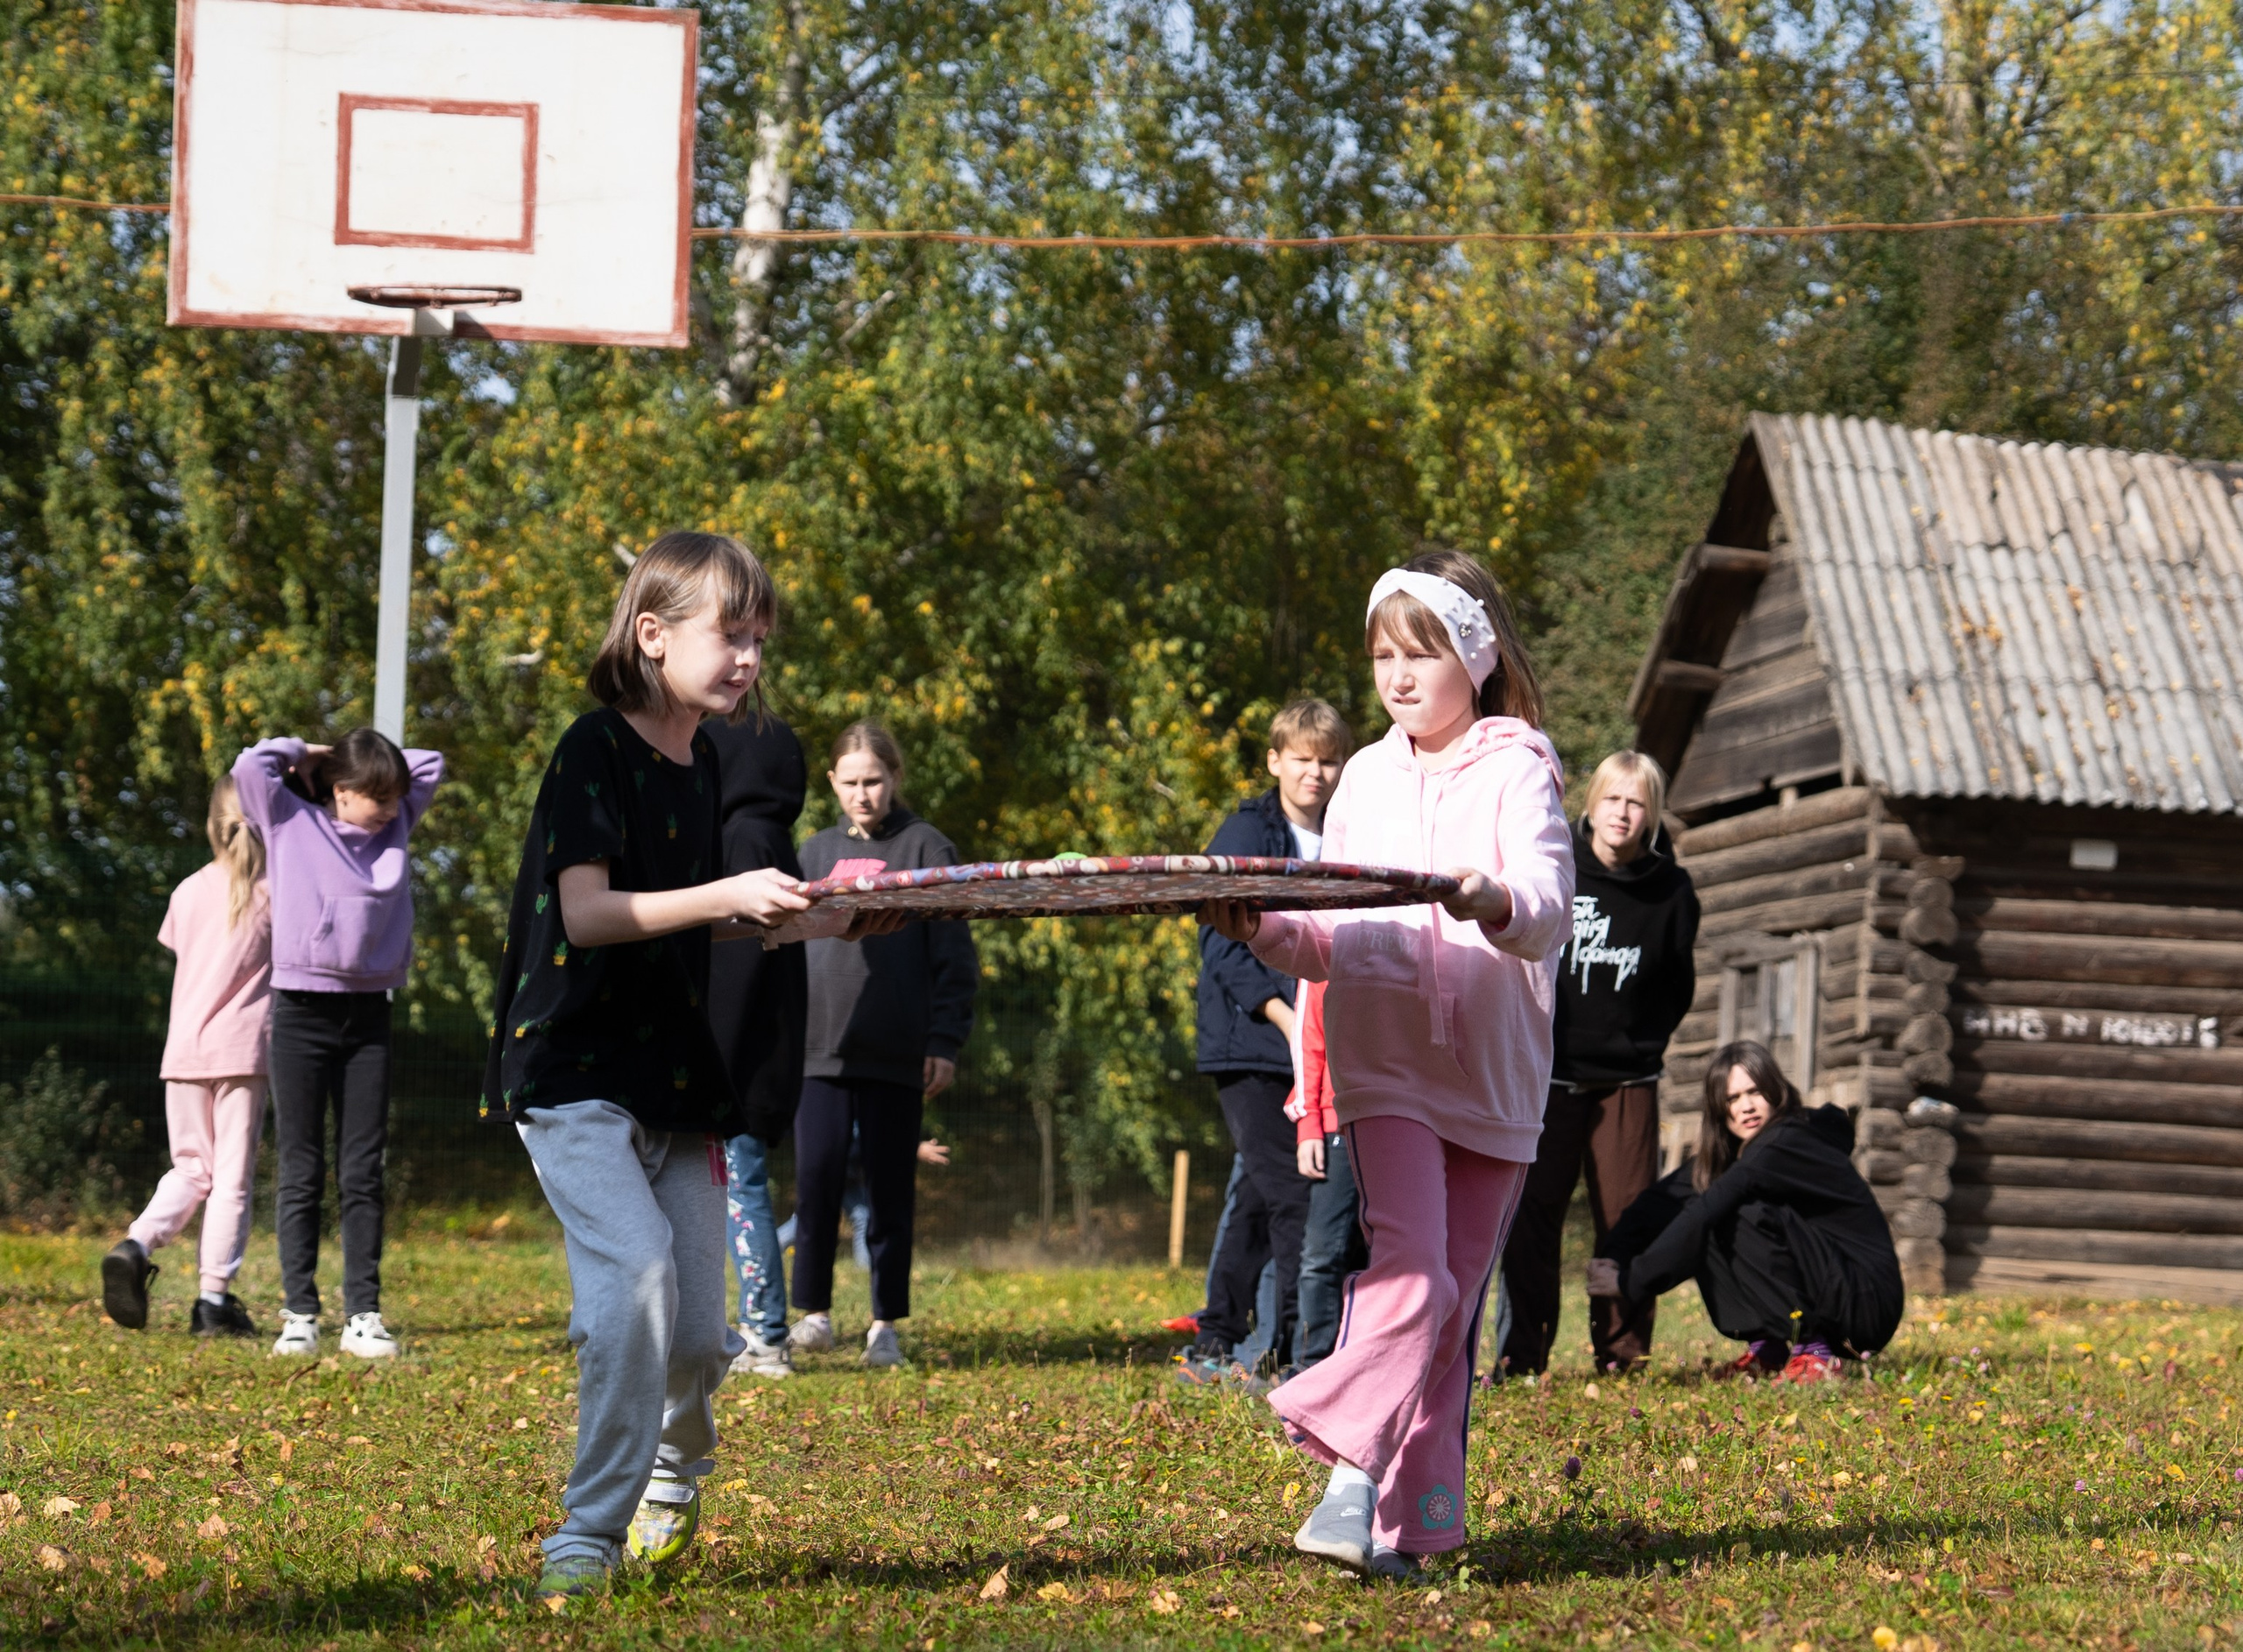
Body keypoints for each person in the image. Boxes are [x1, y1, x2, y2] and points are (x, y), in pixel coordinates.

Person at [483, 531, 895, 1604]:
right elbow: (587, 914)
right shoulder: (592, 748)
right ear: (653, 633)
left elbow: (681, 925)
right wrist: (729, 893)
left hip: (674, 1068)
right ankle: (587, 1531)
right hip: (571, 1066)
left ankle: (676, 1469)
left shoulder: (707, 757)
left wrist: (810, 925)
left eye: (762, 636)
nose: (751, 655)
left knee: (704, 1333)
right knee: (638, 1286)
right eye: (732, 632)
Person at [1202, 549, 1573, 1582]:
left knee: (1451, 1302)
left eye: (1421, 653)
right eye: (1382, 656)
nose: (1398, 677)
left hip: (1496, 1071)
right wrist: (1265, 926)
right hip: (1386, 1060)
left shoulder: (1519, 763)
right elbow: (1327, 935)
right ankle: (1348, 1478)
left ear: (1475, 657)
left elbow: (1545, 906)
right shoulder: (1362, 775)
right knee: (1410, 1272)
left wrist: (1487, 897)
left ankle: (1419, 1525)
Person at [233, 724, 442, 1360]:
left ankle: (363, 1315)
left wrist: (372, 762)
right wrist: (310, 753)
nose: (387, 807)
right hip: (300, 1011)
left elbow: (429, 763)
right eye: (373, 795)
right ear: (340, 790)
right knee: (300, 1169)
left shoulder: (397, 820)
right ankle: (299, 1313)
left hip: (368, 1014)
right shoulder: (289, 820)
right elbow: (250, 768)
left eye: (392, 796)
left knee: (362, 1171)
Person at [1499, 750, 1699, 1378]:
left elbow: (1677, 984)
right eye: (1613, 799)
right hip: (1550, 1076)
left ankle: (1621, 1356)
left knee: (1628, 1219)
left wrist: (1641, 1043)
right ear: (1591, 804)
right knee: (1533, 1218)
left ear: (1652, 814)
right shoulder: (1557, 867)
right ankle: (1523, 1356)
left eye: (1637, 802)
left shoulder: (1673, 891)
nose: (1623, 813)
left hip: (1628, 1082)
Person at [789, 723, 979, 1369]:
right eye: (851, 783)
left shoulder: (928, 847)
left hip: (898, 1051)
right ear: (833, 784)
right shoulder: (811, 854)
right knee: (814, 1182)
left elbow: (955, 956)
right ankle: (812, 1314)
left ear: (895, 779)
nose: (863, 794)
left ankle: (883, 1326)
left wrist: (944, 1039)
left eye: (874, 781)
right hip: (818, 1048)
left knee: (891, 1193)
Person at [1178, 698, 1350, 1385]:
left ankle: (1216, 1335)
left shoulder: (1348, 831)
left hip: (1322, 1044)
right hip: (1253, 1045)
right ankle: (1284, 1353)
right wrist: (1283, 1014)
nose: (1316, 772)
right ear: (1276, 760)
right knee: (1292, 1194)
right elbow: (1220, 936)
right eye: (1303, 758)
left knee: (1255, 1192)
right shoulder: (1248, 829)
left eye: (1329, 759)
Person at [1588, 1041, 1903, 1384]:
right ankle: (1769, 1348)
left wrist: (1629, 1282)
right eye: (1732, 1099)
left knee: (1733, 1211)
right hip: (1837, 1290)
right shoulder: (1737, 1156)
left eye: (1755, 1092)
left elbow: (1704, 1212)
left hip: (1866, 1302)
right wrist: (1615, 1256)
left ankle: (1815, 1353)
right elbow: (1659, 1202)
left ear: (1775, 1091)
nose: (1747, 1107)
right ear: (1719, 1110)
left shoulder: (1787, 1140)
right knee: (1710, 1200)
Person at [101, 775, 272, 1338]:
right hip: (242, 1054)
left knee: (190, 1169)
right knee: (230, 1180)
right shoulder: (276, 893)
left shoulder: (187, 891)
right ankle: (212, 1303)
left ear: (211, 825)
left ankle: (137, 1243)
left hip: (184, 1053)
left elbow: (181, 951)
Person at [702, 709, 812, 1382]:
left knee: (739, 1188)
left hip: (732, 1060)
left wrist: (712, 1062)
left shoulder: (743, 841)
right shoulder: (771, 837)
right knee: (740, 1187)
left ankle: (767, 1334)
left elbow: (737, 972)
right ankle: (755, 1327)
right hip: (761, 1052)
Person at [1287, 978, 1365, 1372]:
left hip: (1401, 1120)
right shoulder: (1323, 949)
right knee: (1322, 1253)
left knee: (1390, 1256)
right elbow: (1308, 1041)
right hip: (1336, 1123)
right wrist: (1309, 1124)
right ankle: (1311, 1369)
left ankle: (1368, 1367)